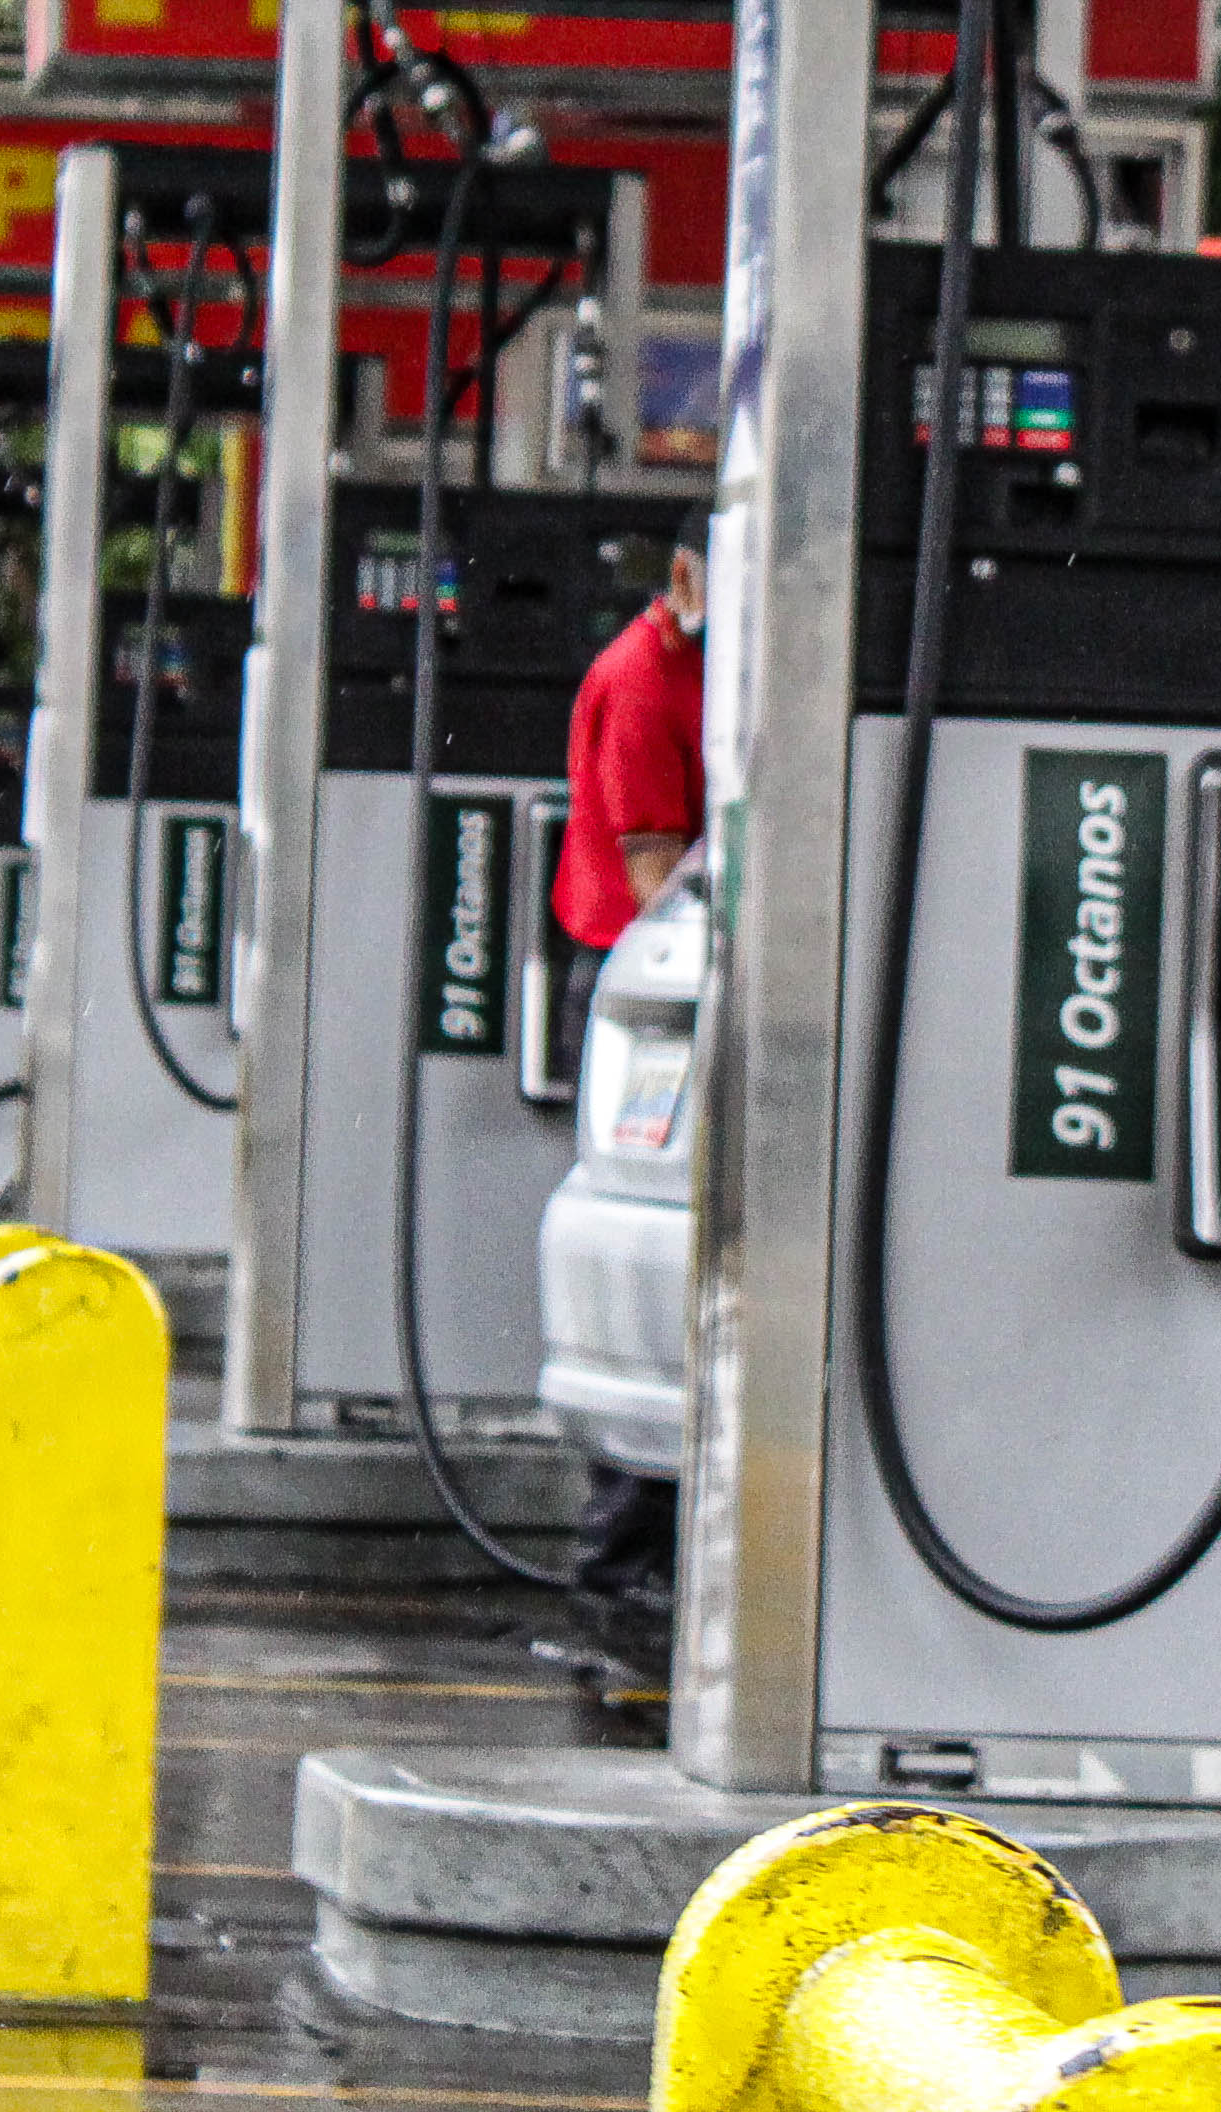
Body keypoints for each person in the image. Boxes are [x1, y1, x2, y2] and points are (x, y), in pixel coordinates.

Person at [546, 530, 705, 1668]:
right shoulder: (644, 680)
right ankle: (619, 1566)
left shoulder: (711, 668)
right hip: (645, 993)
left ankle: (644, 1557)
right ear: (685, 577)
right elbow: (658, 870)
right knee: (652, 1261)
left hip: (665, 983)